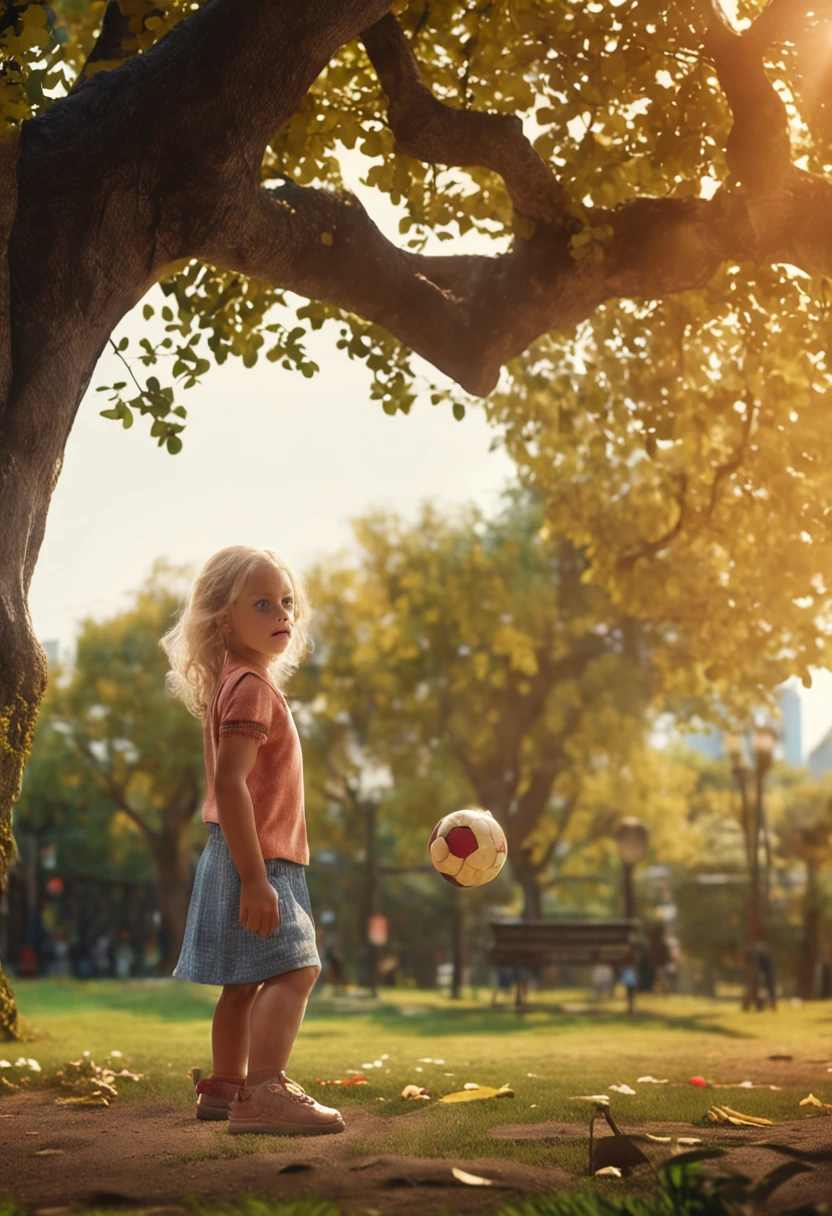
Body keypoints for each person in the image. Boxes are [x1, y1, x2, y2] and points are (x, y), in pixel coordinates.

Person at [162, 545, 343, 1136]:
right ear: (224, 619)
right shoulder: (251, 689)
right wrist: (257, 878)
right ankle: (265, 1090)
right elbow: (230, 784)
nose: (280, 613)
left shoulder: (236, 682)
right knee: (298, 969)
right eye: (262, 603)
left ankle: (224, 1088)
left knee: (241, 983)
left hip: (235, 853)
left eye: (286, 602)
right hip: (257, 857)